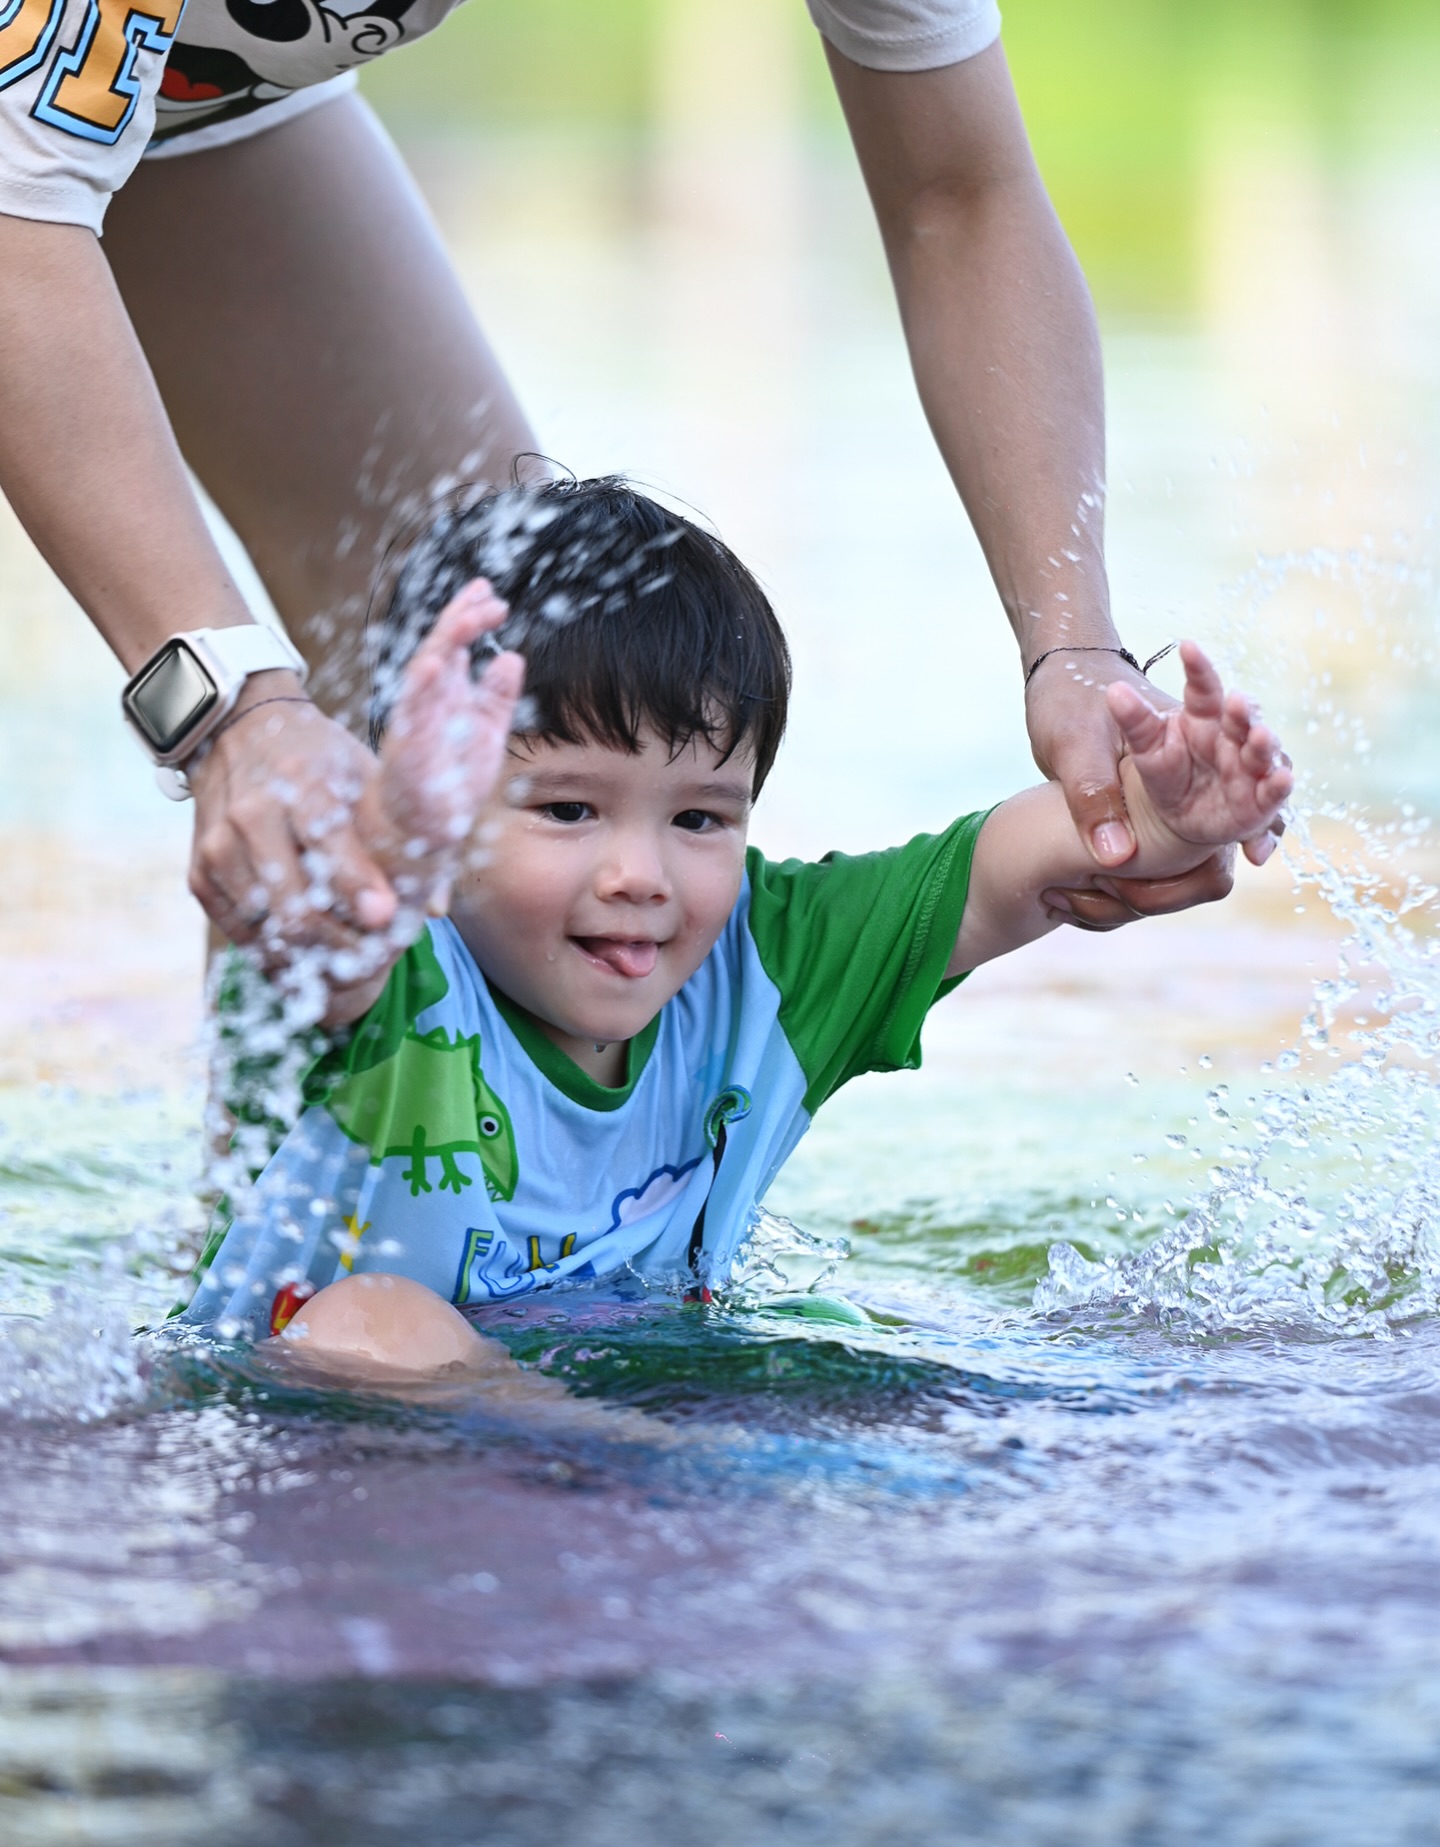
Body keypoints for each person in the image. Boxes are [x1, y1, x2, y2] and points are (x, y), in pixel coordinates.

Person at [0, 0, 1266, 972]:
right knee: (282, 733)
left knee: (506, 666)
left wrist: (1074, 648)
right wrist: (231, 707)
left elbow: (960, 193)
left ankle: (393, 1232)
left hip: (188, 97)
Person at [179, 477, 1292, 1378]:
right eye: (568, 809)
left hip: (596, 1411)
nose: (641, 874)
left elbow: (1011, 868)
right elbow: (317, 931)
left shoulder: (759, 963)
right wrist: (391, 835)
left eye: (700, 815)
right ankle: (644, 1468)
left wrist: (1157, 811)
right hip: (322, 1446)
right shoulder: (396, 967)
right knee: (371, 1324)